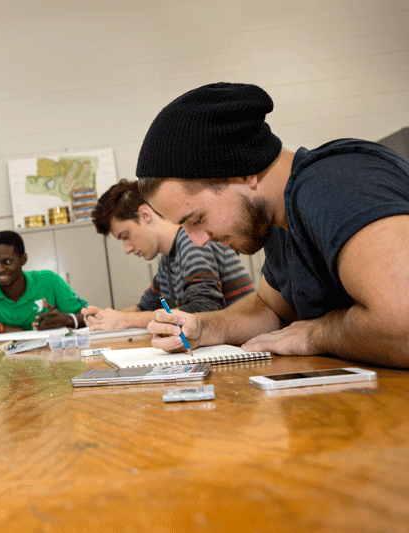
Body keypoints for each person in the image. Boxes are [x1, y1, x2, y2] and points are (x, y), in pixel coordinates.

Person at [135, 82, 409, 368]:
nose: (198, 240)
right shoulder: (277, 222)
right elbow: (270, 310)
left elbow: (403, 321)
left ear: (242, 172)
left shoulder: (333, 185)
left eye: (197, 219)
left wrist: (316, 334)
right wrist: (204, 328)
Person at [83, 179, 254, 331]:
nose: (127, 249)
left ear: (145, 215)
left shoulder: (191, 242)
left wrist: (126, 320)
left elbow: (204, 309)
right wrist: (105, 317)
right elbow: (146, 307)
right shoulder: (168, 259)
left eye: (126, 236)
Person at [0, 230, 88, 337]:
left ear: (23, 259)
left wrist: (67, 320)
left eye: (7, 262)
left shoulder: (48, 280)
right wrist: (0, 329)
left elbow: (90, 315)